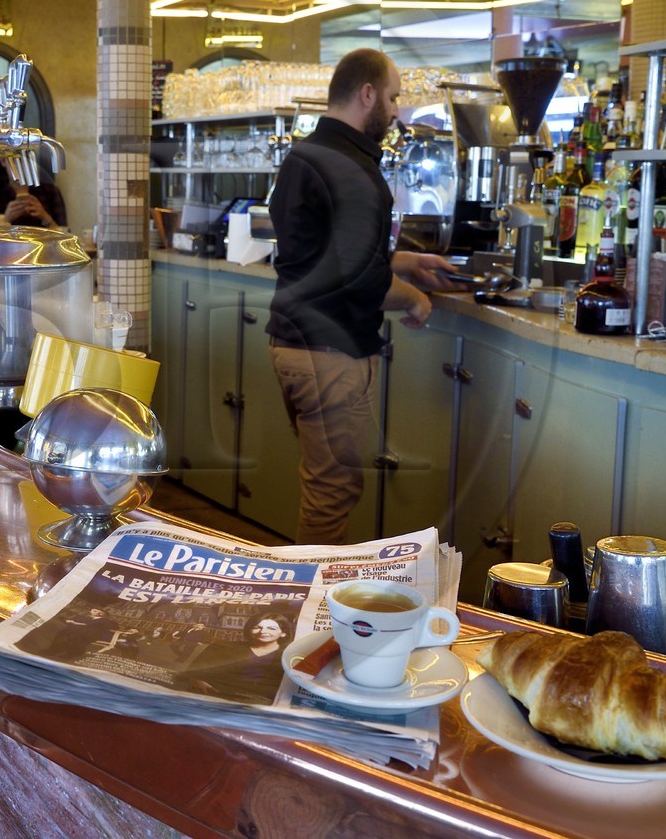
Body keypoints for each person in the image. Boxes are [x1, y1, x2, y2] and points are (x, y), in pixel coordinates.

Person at [265, 49, 458, 545]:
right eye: (393, 98)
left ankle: (309, 585)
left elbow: (324, 256)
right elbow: (360, 281)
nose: (396, 112)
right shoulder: (355, 169)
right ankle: (317, 595)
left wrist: (402, 262)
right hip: (332, 357)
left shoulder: (302, 156)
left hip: (290, 346)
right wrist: (414, 298)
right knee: (331, 495)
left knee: (319, 486)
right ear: (367, 94)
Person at [180, 613, 292, 704]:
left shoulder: (290, 655)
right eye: (257, 627)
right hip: (215, 694)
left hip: (259, 700)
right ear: (249, 630)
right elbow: (194, 670)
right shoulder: (224, 647)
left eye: (272, 628)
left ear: (283, 633)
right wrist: (196, 680)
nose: (263, 632)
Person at [0, 158, 66, 227]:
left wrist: (45, 217)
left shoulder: (50, 191)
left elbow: (64, 232)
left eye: (25, 161)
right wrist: (5, 219)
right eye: (15, 161)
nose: (20, 167)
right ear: (3, 162)